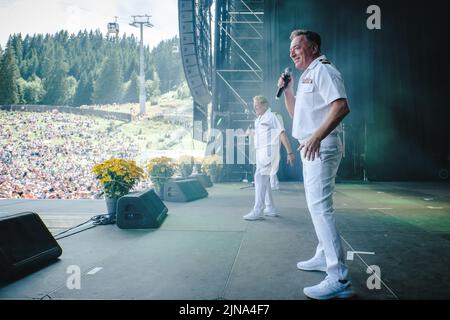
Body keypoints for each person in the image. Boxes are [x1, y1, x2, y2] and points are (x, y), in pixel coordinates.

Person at [278, 29, 352, 299]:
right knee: (317, 207)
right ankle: (324, 256)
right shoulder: (307, 74)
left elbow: (342, 106)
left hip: (321, 147)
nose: (292, 51)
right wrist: (287, 90)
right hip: (312, 147)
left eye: (298, 46)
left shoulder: (324, 69)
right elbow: (298, 115)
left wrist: (316, 137)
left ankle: (339, 278)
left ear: (314, 46)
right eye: (291, 48)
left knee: (321, 210)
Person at [243, 96, 295, 221]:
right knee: (264, 180)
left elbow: (281, 133)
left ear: (265, 105)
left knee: (259, 177)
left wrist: (290, 152)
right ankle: (270, 208)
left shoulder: (272, 116)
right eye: (254, 104)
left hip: (269, 151)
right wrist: (251, 133)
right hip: (260, 152)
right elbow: (262, 134)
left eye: (257, 104)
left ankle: (258, 210)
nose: (255, 107)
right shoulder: (258, 120)